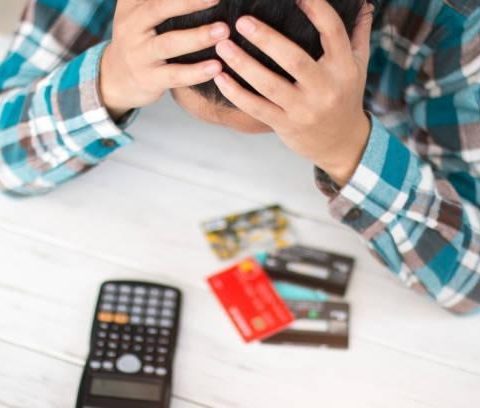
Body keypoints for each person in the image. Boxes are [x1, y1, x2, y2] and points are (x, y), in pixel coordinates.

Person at [0, 0, 479, 314]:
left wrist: (346, 145)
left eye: (278, 120)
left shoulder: (460, 22)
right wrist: (111, 79)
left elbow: (468, 284)